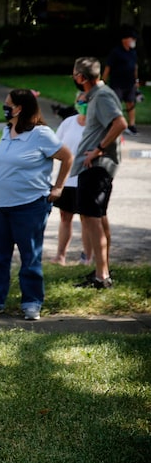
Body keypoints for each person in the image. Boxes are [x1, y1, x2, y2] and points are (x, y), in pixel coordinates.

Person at [0, 89, 73, 321]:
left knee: (30, 256)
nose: (5, 107)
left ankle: (32, 302)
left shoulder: (41, 134)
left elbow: (67, 157)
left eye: (8, 104)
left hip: (30, 205)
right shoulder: (6, 131)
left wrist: (58, 188)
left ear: (19, 108)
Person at [71, 57, 128, 290]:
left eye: (75, 73)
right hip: (92, 167)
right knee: (93, 217)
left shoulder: (102, 96)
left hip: (98, 167)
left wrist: (99, 149)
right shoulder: (96, 95)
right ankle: (100, 271)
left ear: (82, 77)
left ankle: (102, 276)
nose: (73, 77)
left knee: (93, 219)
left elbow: (120, 123)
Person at [50, 93, 92, 266]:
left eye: (86, 101)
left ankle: (87, 257)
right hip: (67, 180)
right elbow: (54, 145)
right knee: (65, 217)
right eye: (79, 100)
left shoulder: (96, 125)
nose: (82, 103)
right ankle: (60, 256)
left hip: (86, 179)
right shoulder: (68, 123)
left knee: (87, 219)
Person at [102, 27, 140, 135]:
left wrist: (136, 80)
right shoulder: (116, 52)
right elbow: (108, 67)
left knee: (131, 103)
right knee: (115, 104)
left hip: (130, 83)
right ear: (125, 39)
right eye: (132, 39)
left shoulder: (133, 52)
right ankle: (116, 124)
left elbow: (135, 67)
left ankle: (132, 125)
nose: (134, 41)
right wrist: (103, 82)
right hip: (117, 83)